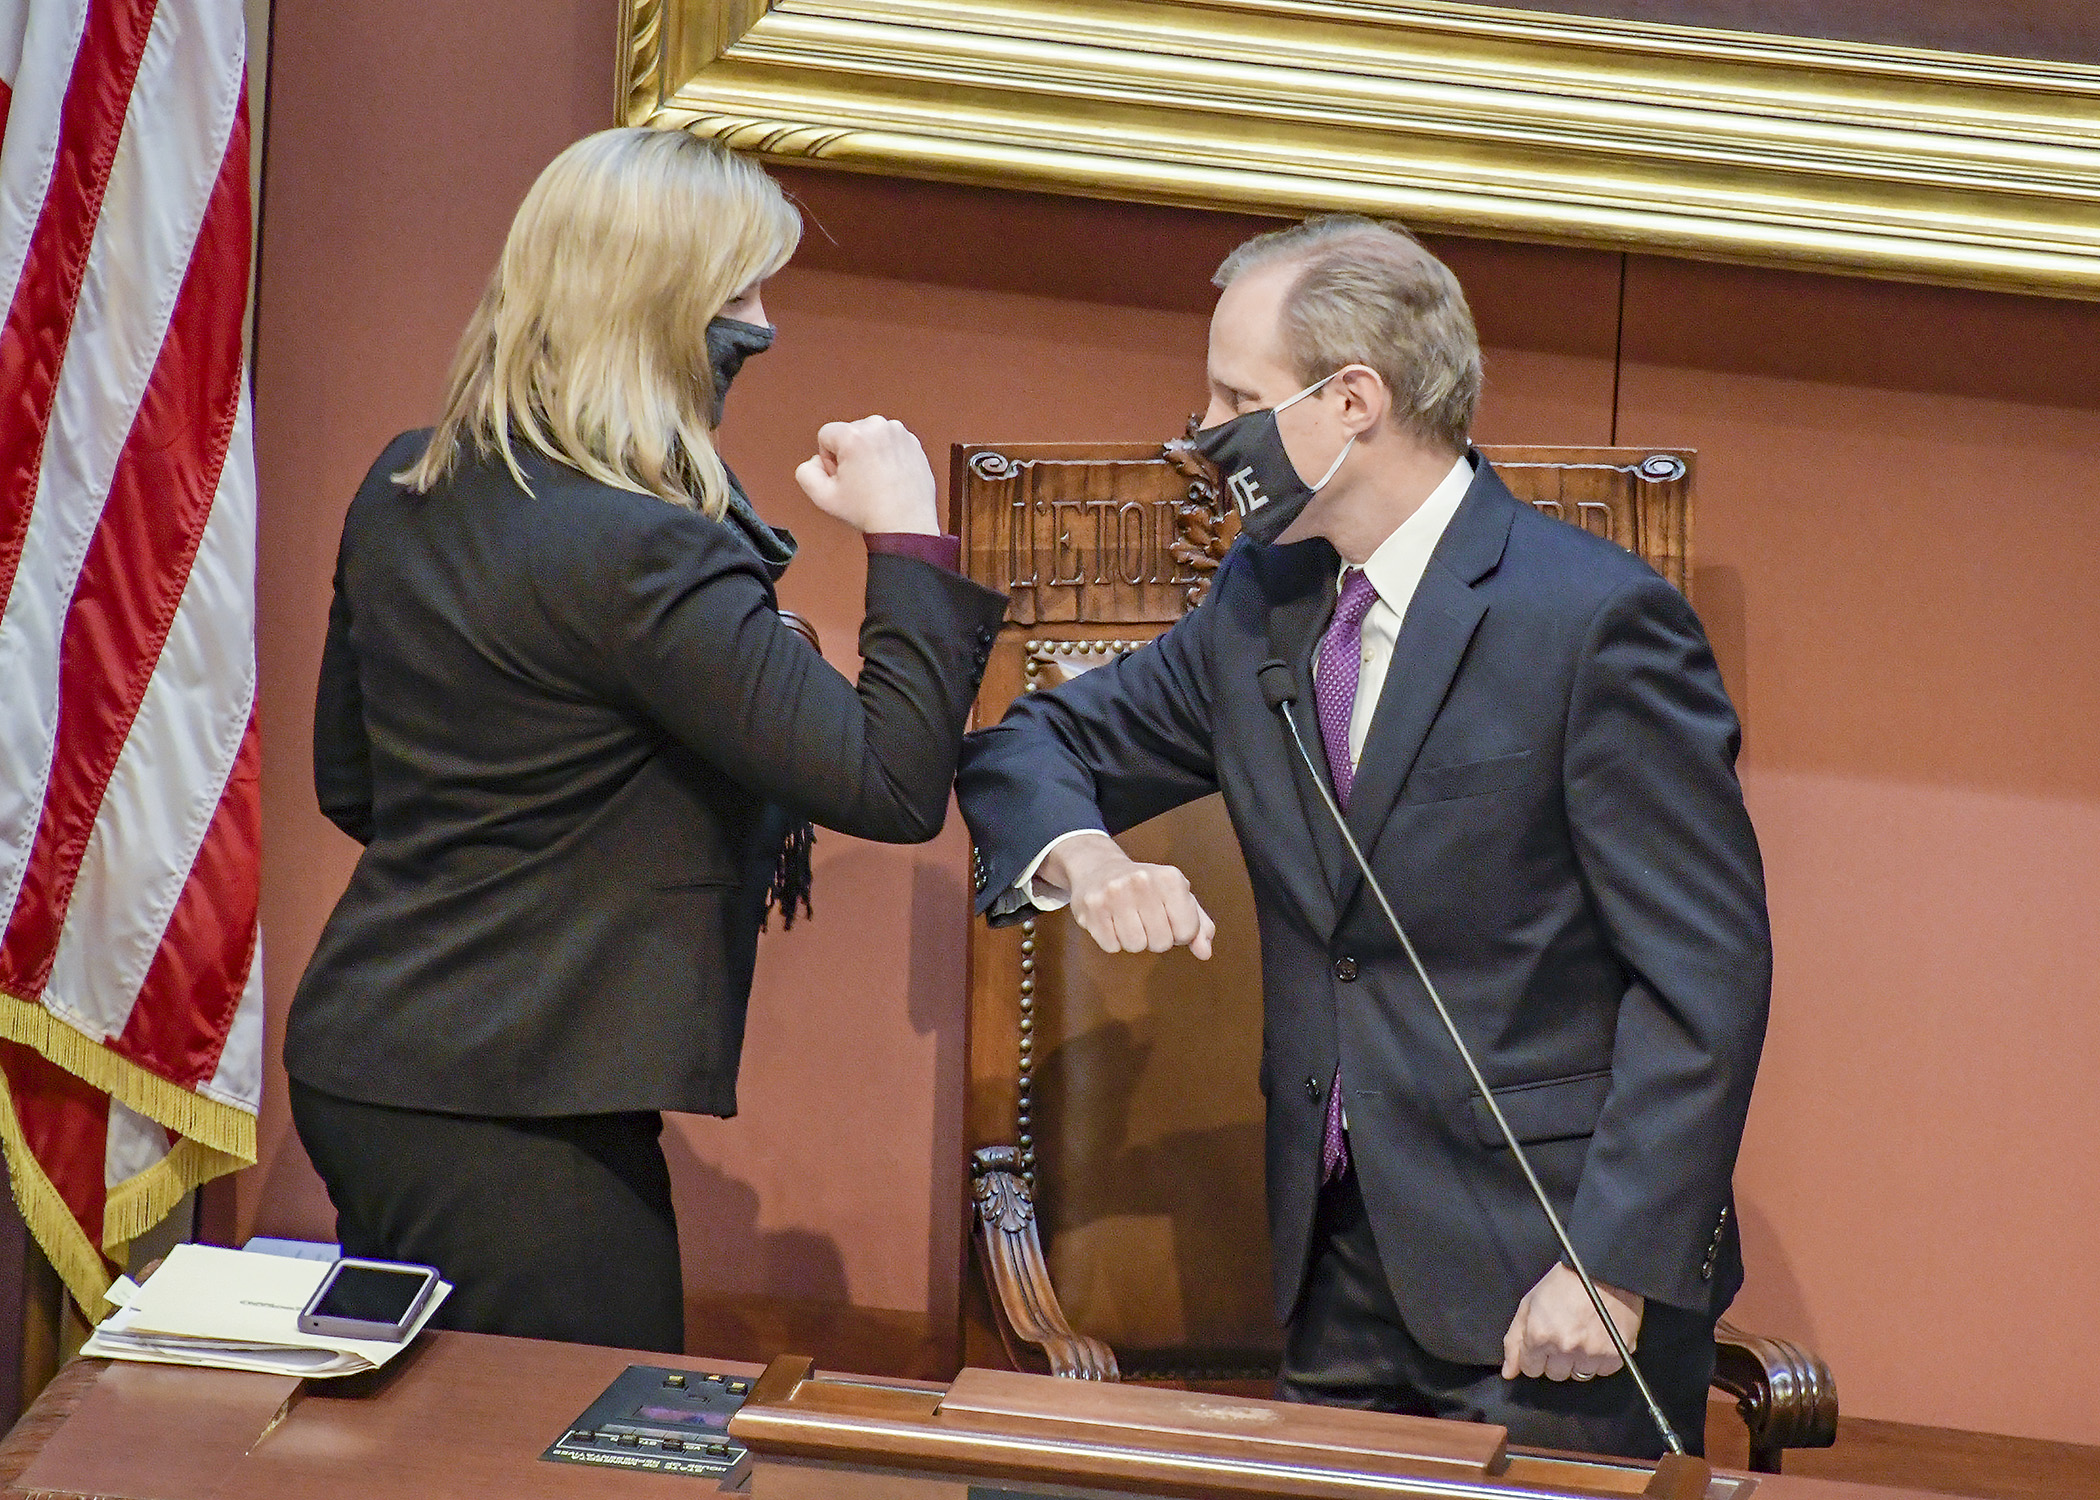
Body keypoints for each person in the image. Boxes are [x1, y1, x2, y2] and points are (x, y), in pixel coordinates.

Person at [956, 216, 1768, 1458]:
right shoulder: (1261, 606)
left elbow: (1706, 975)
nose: (1200, 427)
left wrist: (1611, 1267)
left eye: (1235, 395)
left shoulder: (1598, 624)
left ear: (1352, 403)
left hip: (1552, 1294)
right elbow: (1027, 747)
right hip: (1335, 1272)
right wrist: (1091, 857)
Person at [286, 128, 1008, 1353]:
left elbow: (352, 785)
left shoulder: (408, 481)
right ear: (655, 307)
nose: (765, 325)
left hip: (373, 1062)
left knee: (450, 1448)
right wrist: (909, 538)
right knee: (577, 1458)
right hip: (515, 1101)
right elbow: (890, 782)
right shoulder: (646, 546)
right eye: (738, 293)